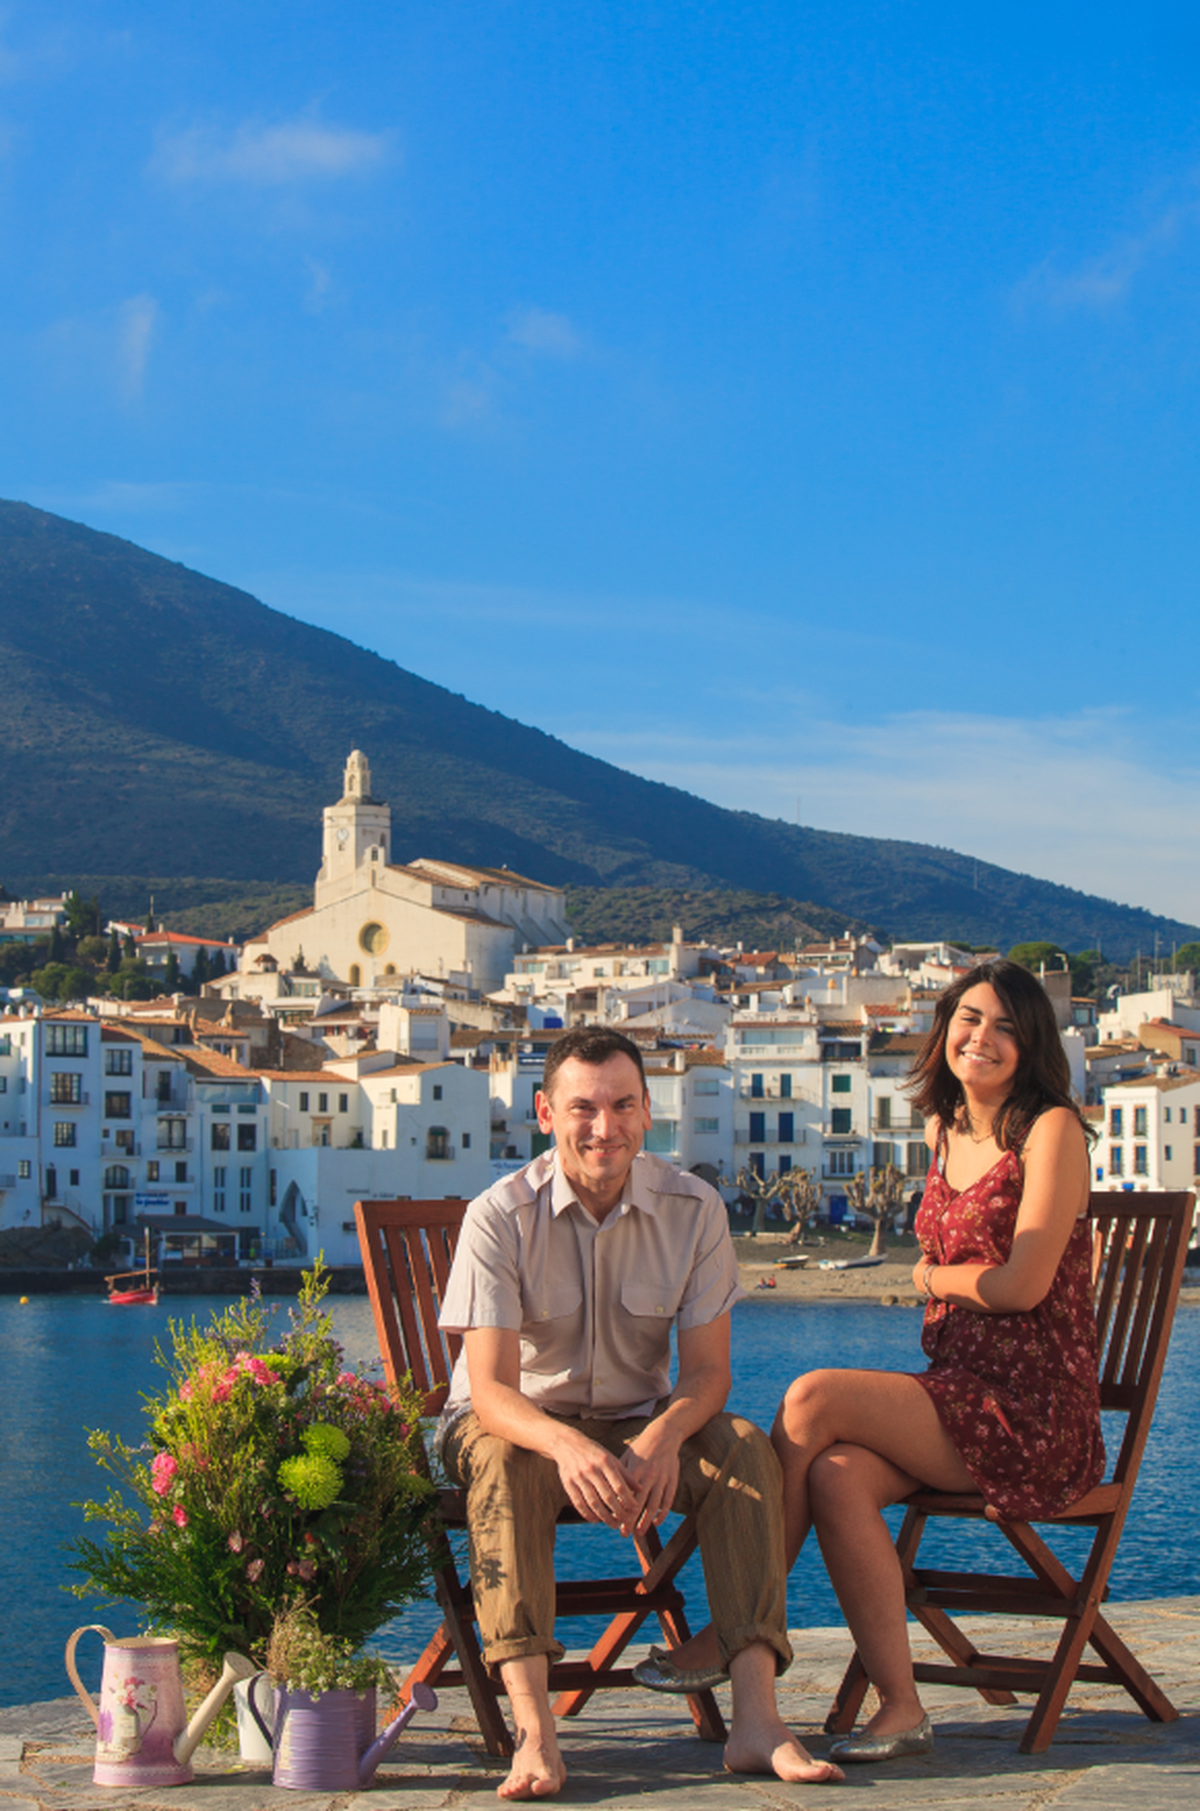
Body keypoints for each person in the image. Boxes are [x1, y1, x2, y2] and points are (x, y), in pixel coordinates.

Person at [651, 960, 1102, 1763]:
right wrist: (955, 1283)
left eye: (1006, 1026)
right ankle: (901, 1705)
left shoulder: (1051, 1129)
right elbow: (986, 1279)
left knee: (812, 1396)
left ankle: (739, 1624)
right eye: (970, 1019)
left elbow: (1022, 1285)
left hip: (1033, 1412)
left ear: (1033, 1042)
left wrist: (929, 1278)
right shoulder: (941, 1129)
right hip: (960, 1392)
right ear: (945, 1028)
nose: (983, 1038)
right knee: (835, 1474)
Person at [436, 1024, 843, 1799]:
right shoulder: (499, 1214)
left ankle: (758, 1721)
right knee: (506, 1461)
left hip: (637, 1421)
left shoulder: (694, 1209)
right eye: (583, 1107)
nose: (606, 1126)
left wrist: (664, 1433)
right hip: (515, 1423)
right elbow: (489, 1391)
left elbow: (710, 1372)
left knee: (745, 1450)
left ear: (648, 1110)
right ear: (545, 1113)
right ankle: (535, 1734)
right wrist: (564, 1445)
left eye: (623, 1104)